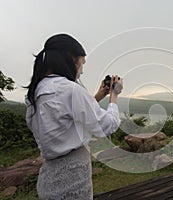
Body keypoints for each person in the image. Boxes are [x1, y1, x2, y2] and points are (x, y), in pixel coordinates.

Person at [25, 33, 123, 200]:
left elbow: (64, 115)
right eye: (82, 62)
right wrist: (114, 96)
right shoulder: (70, 89)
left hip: (49, 179)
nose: (82, 70)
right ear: (71, 58)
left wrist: (97, 97)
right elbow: (107, 125)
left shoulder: (35, 92)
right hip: (73, 180)